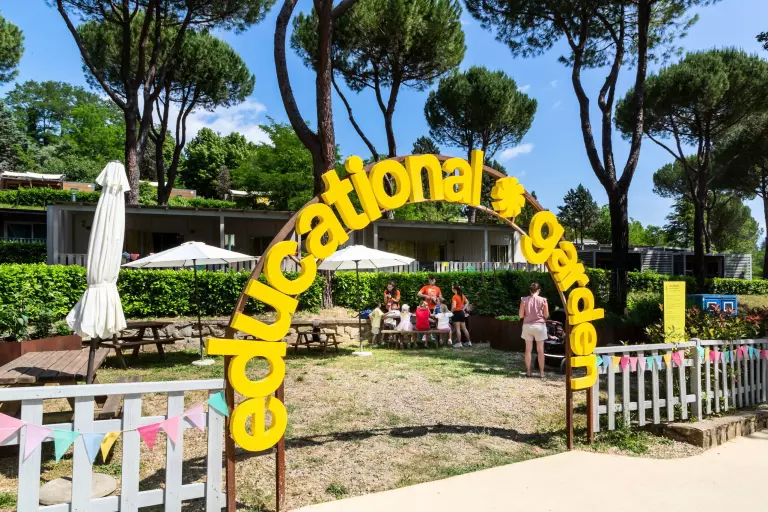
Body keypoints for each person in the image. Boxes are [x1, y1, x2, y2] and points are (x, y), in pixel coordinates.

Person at [520, 282, 549, 378]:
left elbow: (521, 315)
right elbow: (546, 315)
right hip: (539, 326)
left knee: (528, 350)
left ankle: (528, 371)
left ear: (530, 290)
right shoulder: (543, 300)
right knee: (540, 350)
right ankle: (542, 372)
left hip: (527, 326)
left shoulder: (524, 300)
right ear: (538, 290)